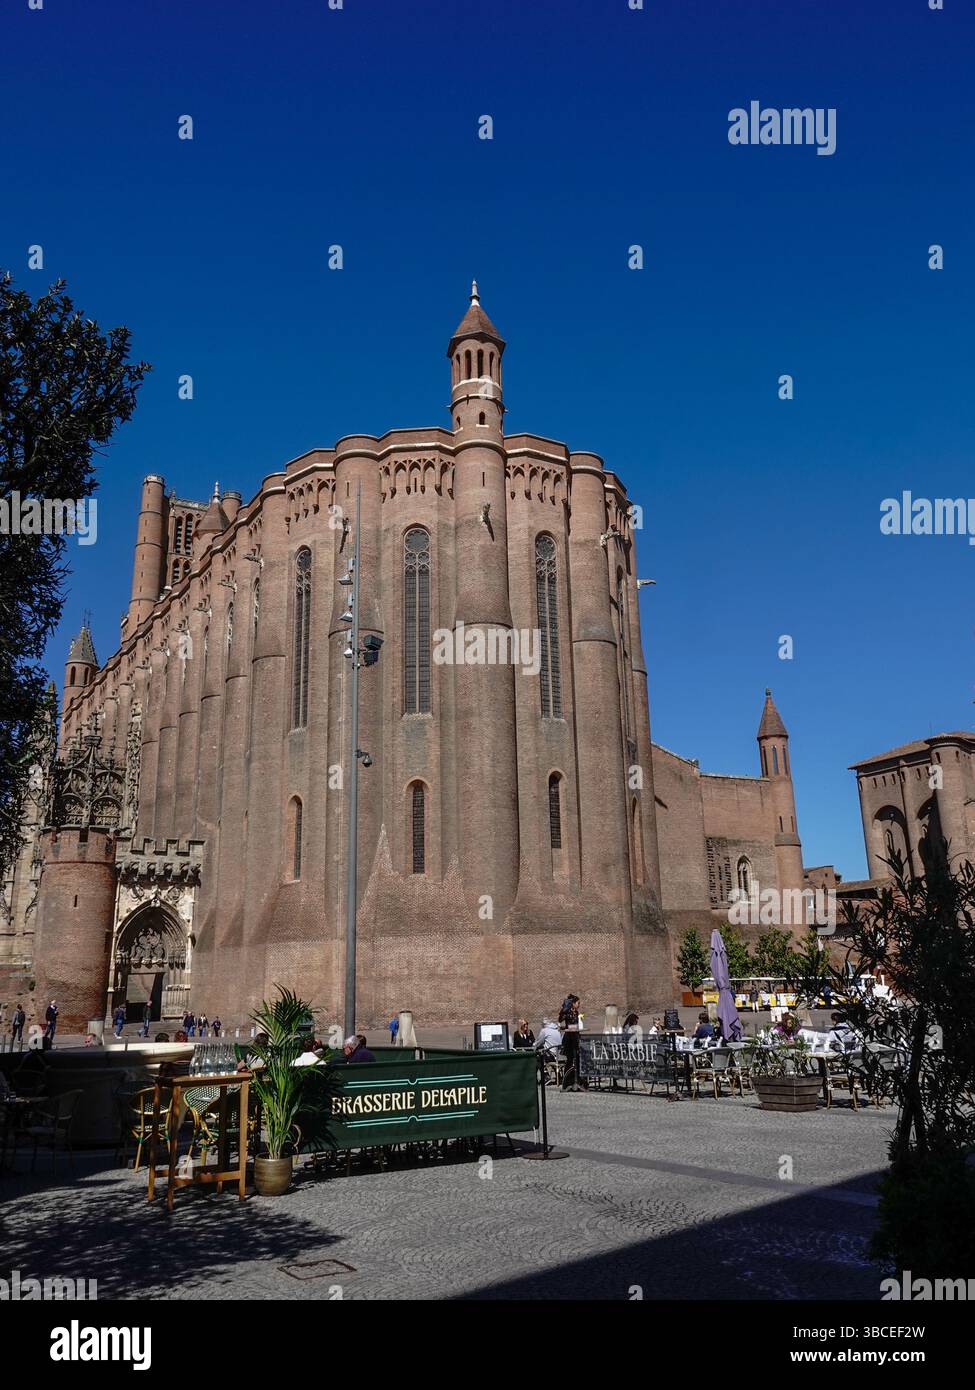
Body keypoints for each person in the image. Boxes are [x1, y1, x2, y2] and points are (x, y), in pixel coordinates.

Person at [558, 994, 581, 1090]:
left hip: (575, 1036)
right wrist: (564, 1010)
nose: (579, 1005)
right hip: (569, 1038)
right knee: (570, 1059)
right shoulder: (567, 1012)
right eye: (578, 1003)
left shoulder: (576, 1012)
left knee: (577, 1058)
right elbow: (560, 1019)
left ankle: (576, 1079)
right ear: (573, 1003)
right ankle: (566, 1081)